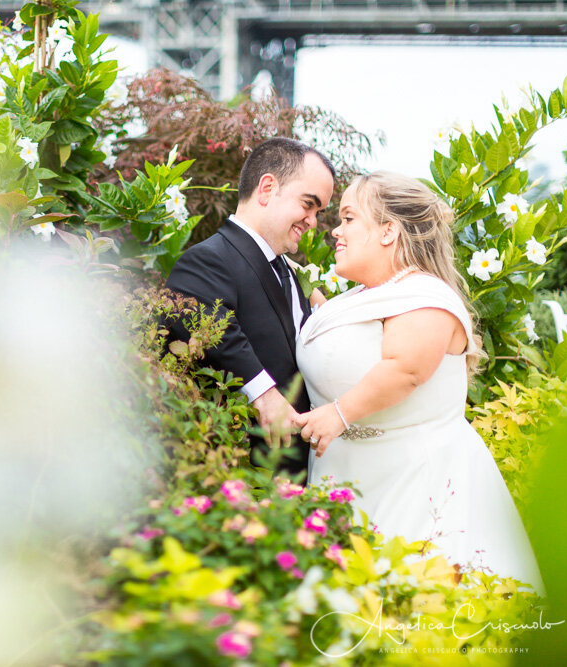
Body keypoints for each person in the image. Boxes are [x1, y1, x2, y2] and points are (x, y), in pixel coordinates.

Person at [294, 172, 543, 590]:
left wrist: (338, 415)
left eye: (350, 218)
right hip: (351, 476)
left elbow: (406, 369)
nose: (336, 230)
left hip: (415, 485)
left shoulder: (425, 297)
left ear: (388, 230)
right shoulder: (363, 295)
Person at [165, 138, 335, 480]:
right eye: (308, 204)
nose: (313, 222)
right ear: (267, 188)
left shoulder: (287, 271)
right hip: (239, 470)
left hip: (293, 471)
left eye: (319, 212)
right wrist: (265, 396)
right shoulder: (208, 259)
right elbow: (203, 320)